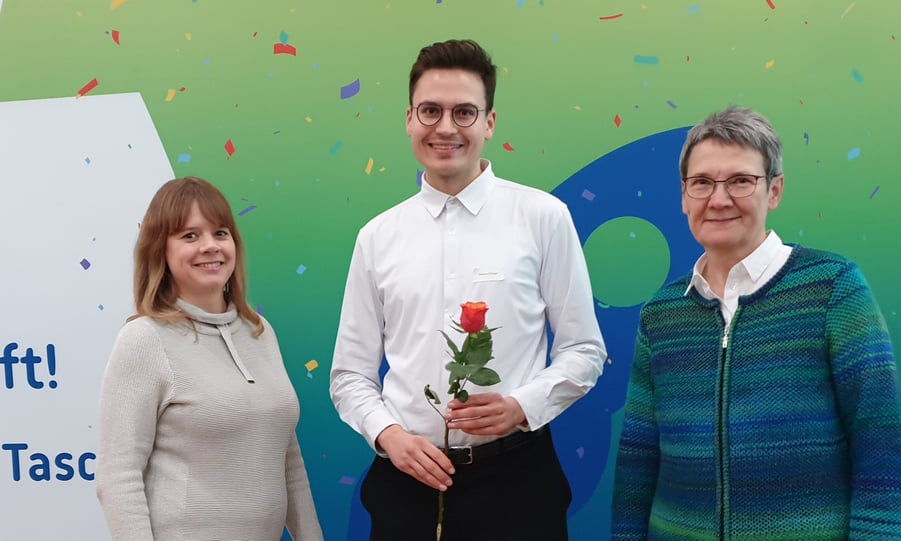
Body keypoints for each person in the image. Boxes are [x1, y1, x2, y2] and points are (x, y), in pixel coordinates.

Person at [329, 39, 606, 541]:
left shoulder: (543, 218)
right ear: (409, 119)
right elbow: (350, 376)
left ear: (489, 123)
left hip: (518, 483)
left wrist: (522, 406)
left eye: (464, 112)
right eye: (430, 111)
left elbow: (584, 351)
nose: (445, 128)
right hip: (406, 486)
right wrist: (388, 436)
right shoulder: (377, 237)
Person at [611, 106, 901, 539]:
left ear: (774, 191)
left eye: (740, 181)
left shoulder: (833, 289)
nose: (718, 200)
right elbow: (637, 462)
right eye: (702, 183)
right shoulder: (662, 313)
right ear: (684, 196)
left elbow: (881, 451)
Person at [95, 177, 324, 541]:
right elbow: (117, 477)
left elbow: (287, 457)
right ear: (160, 249)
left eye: (220, 233)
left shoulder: (259, 331)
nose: (210, 246)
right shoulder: (144, 339)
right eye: (190, 235)